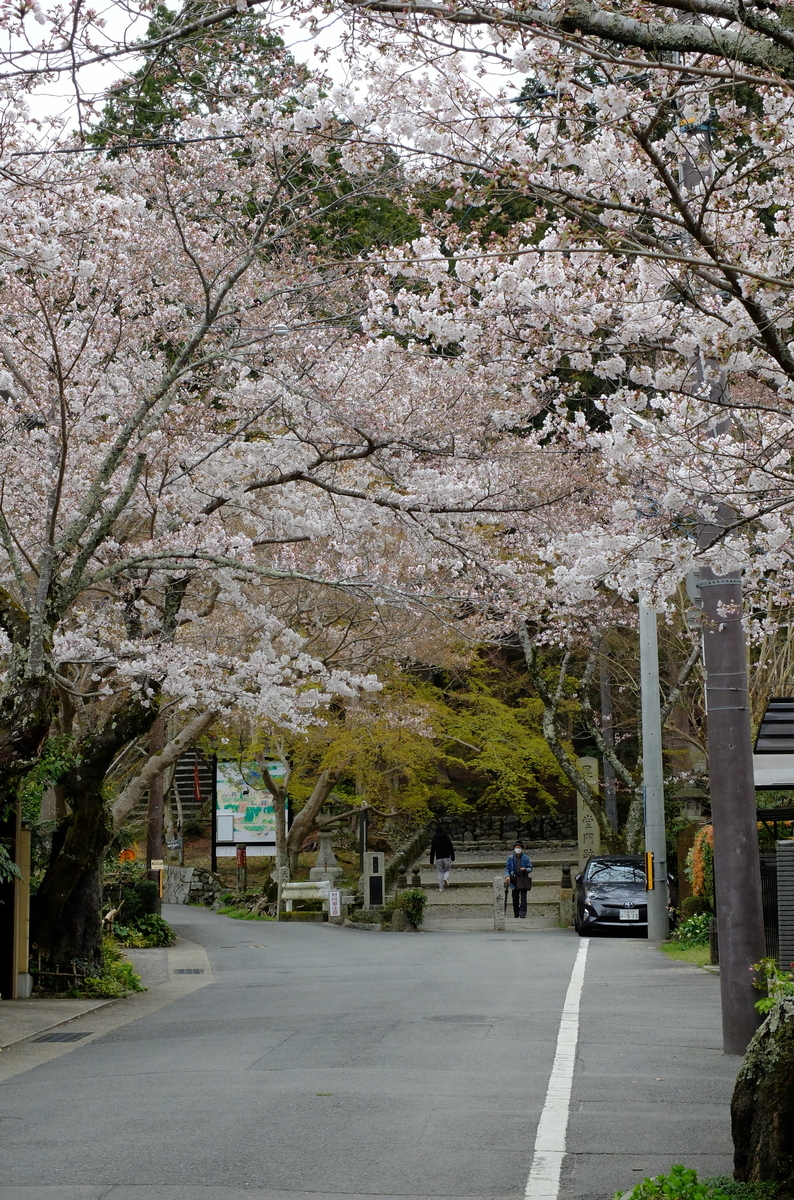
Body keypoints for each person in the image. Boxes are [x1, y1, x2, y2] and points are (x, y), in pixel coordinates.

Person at [505, 841, 533, 918]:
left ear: (522, 849)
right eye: (516, 848)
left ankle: (523, 913)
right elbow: (507, 868)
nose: (518, 849)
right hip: (514, 877)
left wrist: (525, 869)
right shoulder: (510, 858)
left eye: (519, 848)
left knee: (523, 896)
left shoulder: (526, 858)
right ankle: (516, 913)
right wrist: (507, 876)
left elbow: (530, 868)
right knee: (515, 896)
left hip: (523, 877)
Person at [429, 825, 455, 890]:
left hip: (439, 858)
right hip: (446, 857)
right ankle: (446, 878)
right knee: (447, 870)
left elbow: (432, 850)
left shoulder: (434, 839)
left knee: (440, 872)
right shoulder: (447, 838)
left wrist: (431, 860)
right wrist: (452, 857)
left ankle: (441, 888)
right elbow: (451, 848)